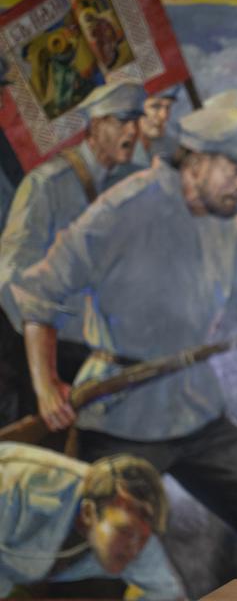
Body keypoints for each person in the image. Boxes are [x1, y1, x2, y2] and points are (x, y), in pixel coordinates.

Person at [12, 106, 237, 579]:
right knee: (89, 560)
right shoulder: (121, 209)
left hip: (196, 411)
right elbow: (39, 295)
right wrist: (46, 386)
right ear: (196, 163)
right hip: (120, 417)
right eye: (235, 171)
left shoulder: (224, 216)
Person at [0, 81, 146, 427]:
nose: (134, 131)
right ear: (96, 126)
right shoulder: (47, 186)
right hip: (50, 355)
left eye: (136, 121)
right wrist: (77, 323)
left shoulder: (135, 182)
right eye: (123, 121)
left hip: (119, 355)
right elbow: (12, 280)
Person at [0, 442, 183, 599]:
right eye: (125, 532)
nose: (135, 549)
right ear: (88, 513)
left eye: (143, 538)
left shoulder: (135, 531)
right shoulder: (17, 489)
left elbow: (168, 592)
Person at [134, 85, 180, 166]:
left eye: (168, 107)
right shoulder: (130, 154)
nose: (164, 115)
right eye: (155, 106)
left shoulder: (173, 135)